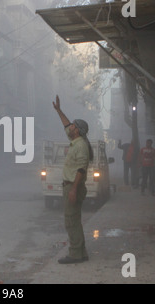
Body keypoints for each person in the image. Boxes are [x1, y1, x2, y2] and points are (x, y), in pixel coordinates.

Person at [52, 95, 93, 264]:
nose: (71, 127)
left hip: (73, 186)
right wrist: (59, 110)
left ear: (78, 131)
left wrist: (74, 189)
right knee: (74, 220)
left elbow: (81, 170)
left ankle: (75, 254)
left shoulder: (81, 146)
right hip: (70, 186)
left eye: (74, 126)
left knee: (71, 221)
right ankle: (81, 252)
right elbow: (66, 124)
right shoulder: (76, 141)